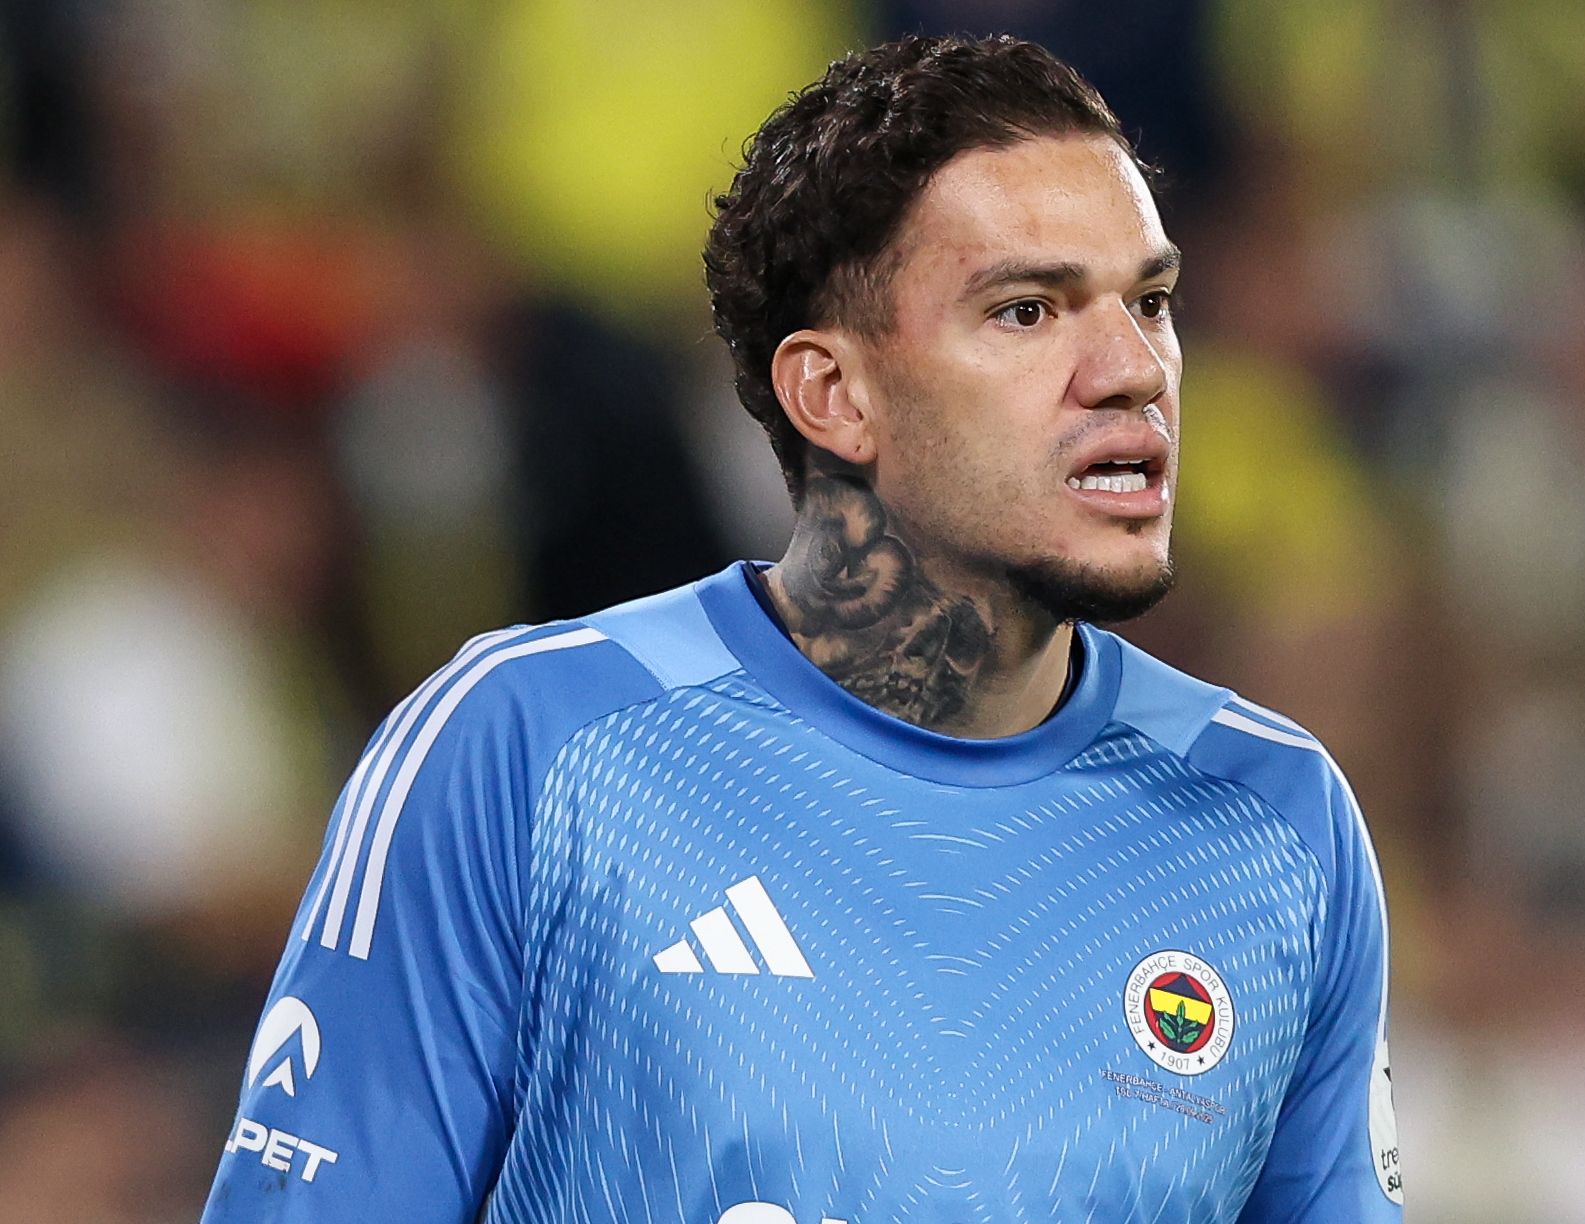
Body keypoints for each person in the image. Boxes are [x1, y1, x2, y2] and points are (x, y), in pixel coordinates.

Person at [201, 34, 1401, 1223]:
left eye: (1150, 301)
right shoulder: (525, 749)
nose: (1132, 369)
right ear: (832, 394)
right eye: (1028, 310)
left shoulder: (1276, 821)